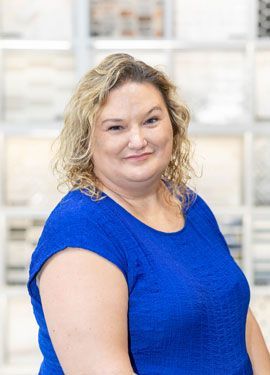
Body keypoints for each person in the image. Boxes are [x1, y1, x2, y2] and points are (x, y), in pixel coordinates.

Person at [27, 53, 270, 375]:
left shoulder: (187, 204)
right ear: (87, 140)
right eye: (116, 127)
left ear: (173, 124)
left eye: (151, 120)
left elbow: (236, 313)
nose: (138, 140)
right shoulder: (80, 237)